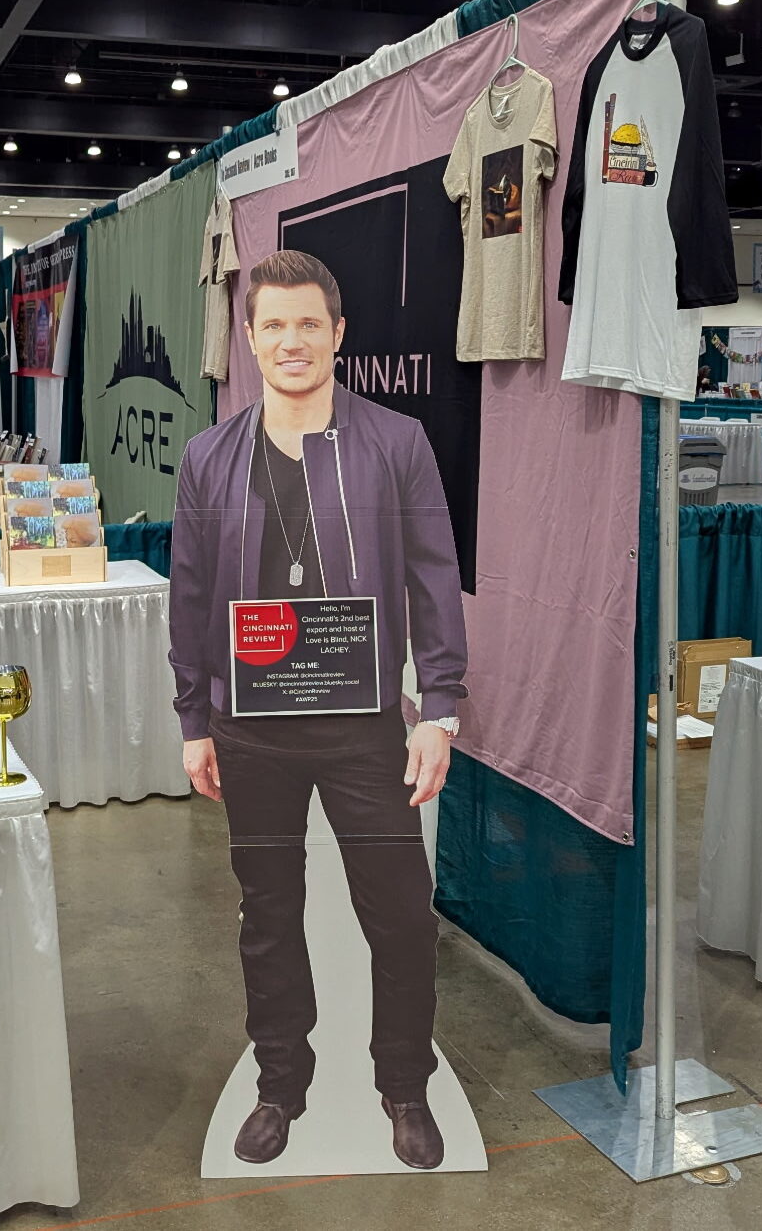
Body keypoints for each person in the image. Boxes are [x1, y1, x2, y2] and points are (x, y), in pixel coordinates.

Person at [168, 250, 468, 1170]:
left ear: (339, 334)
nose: (291, 341)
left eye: (310, 324)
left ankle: (404, 1087)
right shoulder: (210, 457)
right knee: (269, 912)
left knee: (402, 915)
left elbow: (433, 578)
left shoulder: (396, 443)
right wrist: (192, 720)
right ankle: (280, 1086)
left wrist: (440, 707)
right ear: (249, 339)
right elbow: (189, 595)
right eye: (273, 326)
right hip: (249, 731)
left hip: (365, 721)